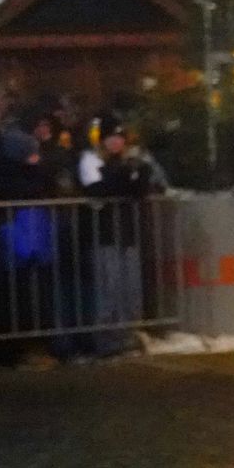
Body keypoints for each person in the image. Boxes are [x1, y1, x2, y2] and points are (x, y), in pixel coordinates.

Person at [78, 125, 160, 356]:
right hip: (106, 235)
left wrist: (139, 173)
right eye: (111, 137)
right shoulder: (93, 161)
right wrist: (123, 175)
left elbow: (136, 192)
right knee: (109, 288)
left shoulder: (129, 163)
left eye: (119, 138)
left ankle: (126, 335)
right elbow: (100, 190)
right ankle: (106, 339)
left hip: (127, 233)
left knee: (129, 288)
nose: (116, 142)